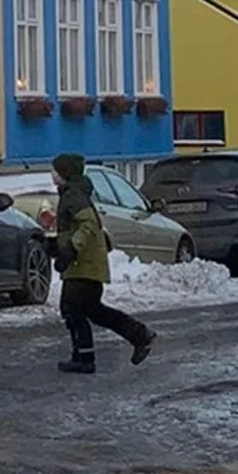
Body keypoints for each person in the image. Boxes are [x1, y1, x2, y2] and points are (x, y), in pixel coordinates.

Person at [50, 152, 154, 375]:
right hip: (82, 263)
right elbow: (73, 228)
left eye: (55, 170)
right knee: (89, 310)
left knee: (74, 308)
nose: (52, 174)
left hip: (84, 263)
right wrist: (56, 246)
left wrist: (71, 249)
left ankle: (89, 357)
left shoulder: (74, 195)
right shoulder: (71, 193)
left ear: (65, 173)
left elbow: (89, 224)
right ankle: (133, 337)